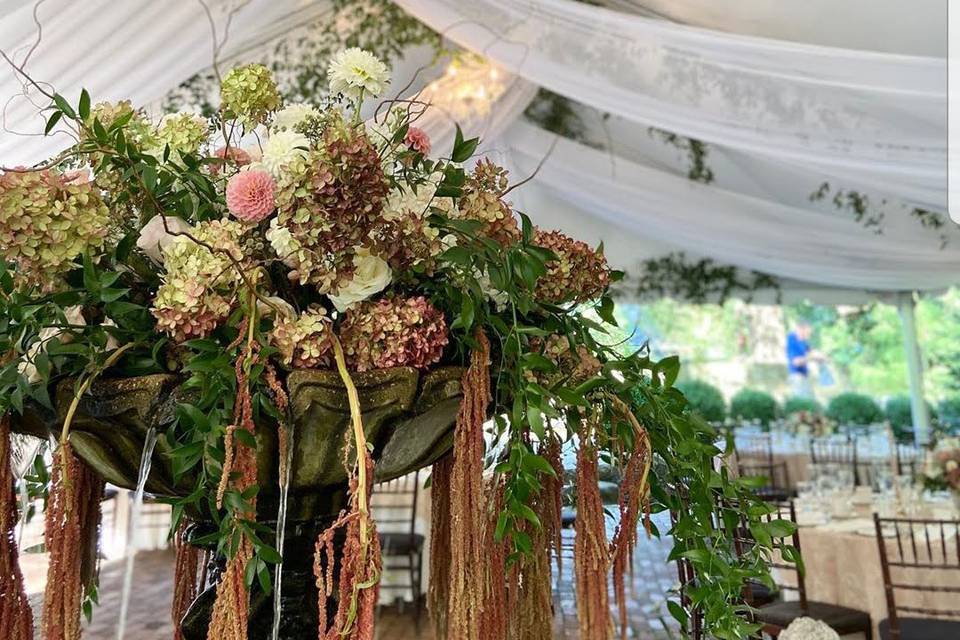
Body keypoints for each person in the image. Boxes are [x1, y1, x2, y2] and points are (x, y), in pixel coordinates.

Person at [785, 322, 824, 399]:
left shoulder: (803, 341)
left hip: (805, 376)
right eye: (807, 333)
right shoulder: (792, 339)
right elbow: (796, 362)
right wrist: (812, 358)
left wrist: (821, 357)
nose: (808, 336)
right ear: (800, 329)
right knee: (804, 406)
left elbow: (812, 351)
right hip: (797, 378)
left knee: (812, 403)